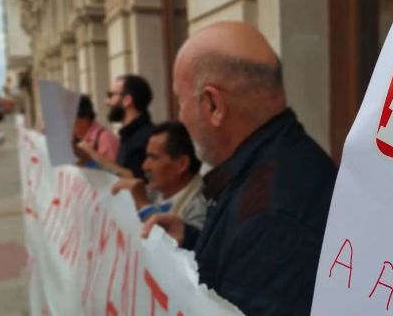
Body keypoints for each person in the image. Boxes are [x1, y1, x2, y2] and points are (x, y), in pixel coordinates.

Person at [142, 22, 338, 315]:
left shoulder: (271, 218)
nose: (180, 117)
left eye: (180, 101)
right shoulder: (282, 161)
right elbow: (238, 268)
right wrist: (190, 240)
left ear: (213, 105)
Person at [112, 121, 207, 228]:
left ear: (182, 164)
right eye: (147, 157)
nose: (145, 166)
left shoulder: (200, 208)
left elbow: (168, 242)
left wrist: (144, 206)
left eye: (154, 158)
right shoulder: (153, 191)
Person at [106, 74, 154, 179]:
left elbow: (137, 180)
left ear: (127, 100)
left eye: (110, 95)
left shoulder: (146, 137)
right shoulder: (127, 134)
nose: (107, 102)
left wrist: (92, 155)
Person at [72, 95, 119, 167]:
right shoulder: (73, 138)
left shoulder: (105, 139)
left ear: (84, 119)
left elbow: (113, 174)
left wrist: (90, 158)